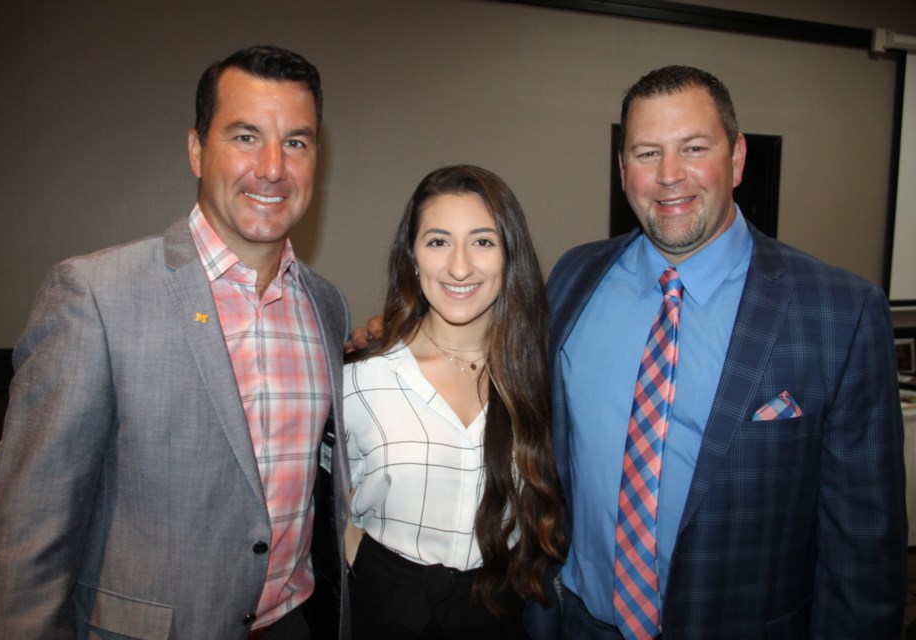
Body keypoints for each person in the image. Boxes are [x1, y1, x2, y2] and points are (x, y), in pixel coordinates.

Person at [0, 45, 351, 640]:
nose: (274, 167)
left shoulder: (326, 306)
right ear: (197, 150)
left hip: (293, 625)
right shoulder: (95, 295)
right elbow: (27, 540)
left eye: (297, 143)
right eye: (246, 136)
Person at [532, 65, 908, 639]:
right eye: (647, 153)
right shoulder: (573, 277)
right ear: (623, 169)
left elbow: (863, 547)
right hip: (579, 623)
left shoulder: (837, 312)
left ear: (736, 159)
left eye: (694, 148)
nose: (669, 176)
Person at [344, 165, 566, 639]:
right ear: (412, 257)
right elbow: (322, 500)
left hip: (502, 610)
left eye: (482, 242)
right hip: (386, 607)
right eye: (438, 241)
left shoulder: (543, 377)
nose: (459, 266)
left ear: (510, 256)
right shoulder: (360, 379)